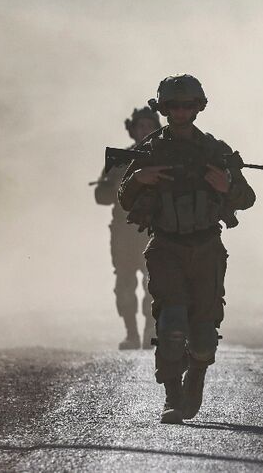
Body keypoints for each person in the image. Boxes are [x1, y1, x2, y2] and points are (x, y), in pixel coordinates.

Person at [118, 74, 256, 424]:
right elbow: (123, 197)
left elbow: (248, 198)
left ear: (199, 107)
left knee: (204, 335)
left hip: (207, 246)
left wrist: (226, 187)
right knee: (172, 323)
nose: (181, 111)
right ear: (164, 108)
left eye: (188, 105)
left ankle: (196, 373)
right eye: (174, 105)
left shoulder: (215, 150)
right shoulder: (150, 150)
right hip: (166, 245)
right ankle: (172, 394)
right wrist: (138, 179)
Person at [93, 107, 160, 350]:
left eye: (149, 126)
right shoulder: (120, 159)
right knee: (124, 283)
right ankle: (131, 333)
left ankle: (151, 332)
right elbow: (100, 196)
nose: (144, 131)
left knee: (154, 283)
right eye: (140, 127)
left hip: (153, 231)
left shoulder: (164, 156)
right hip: (124, 232)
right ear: (132, 130)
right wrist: (124, 185)